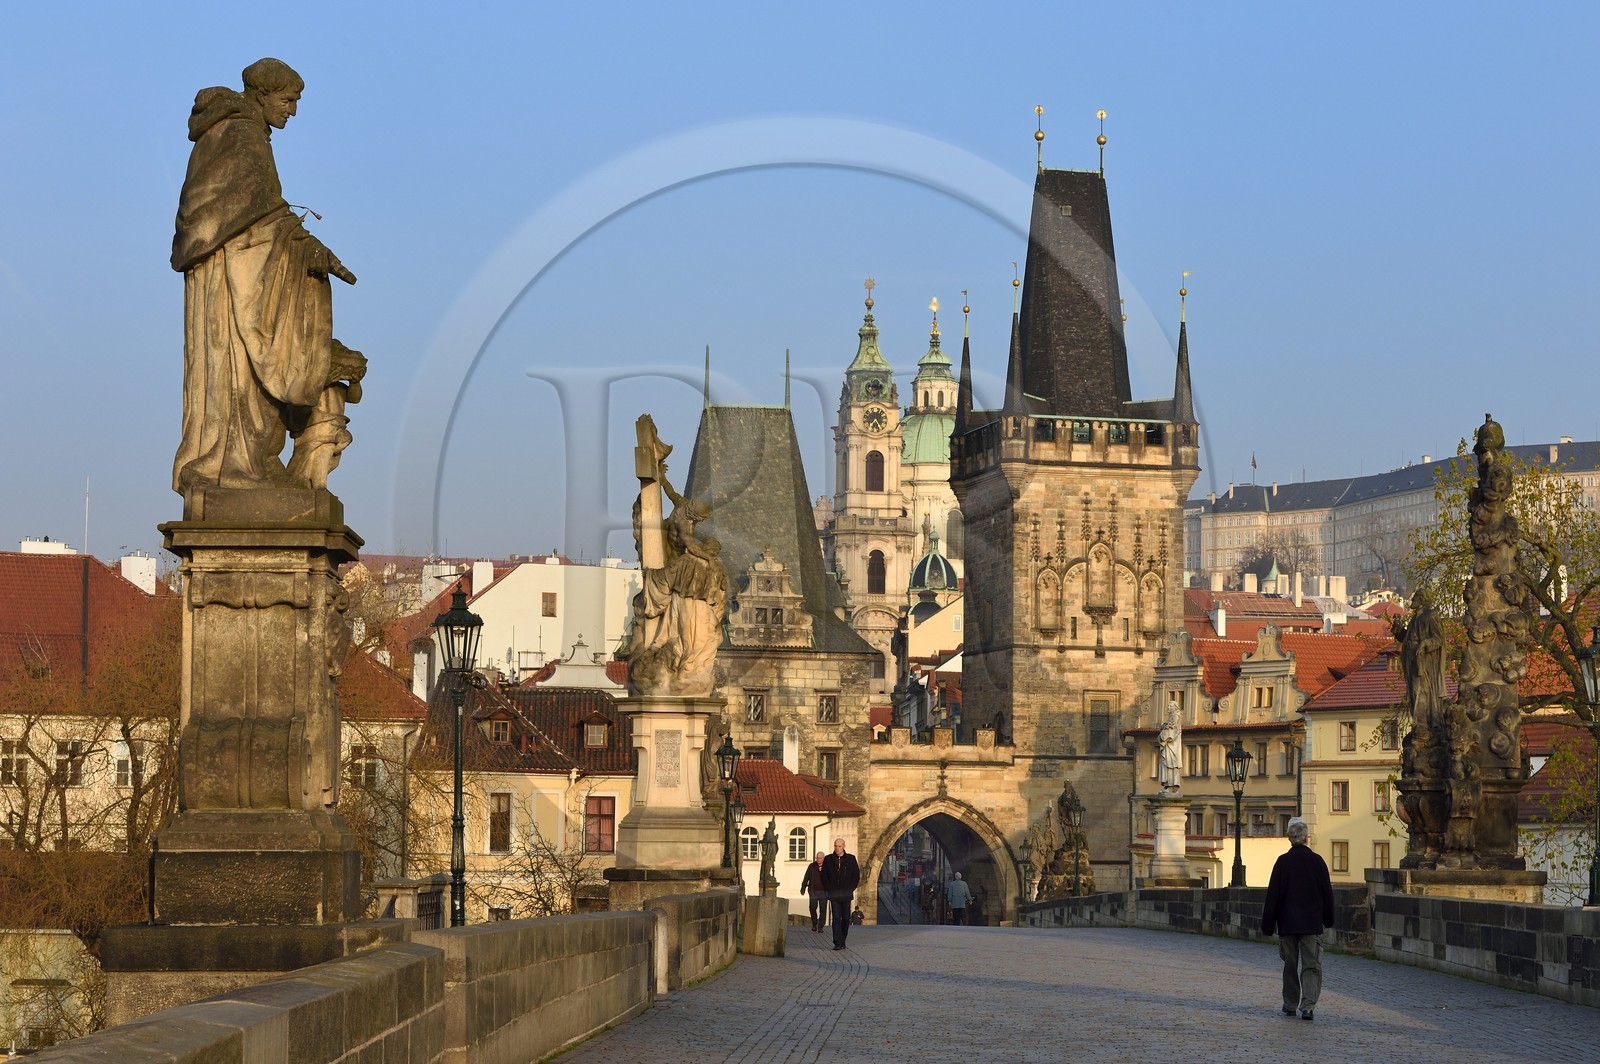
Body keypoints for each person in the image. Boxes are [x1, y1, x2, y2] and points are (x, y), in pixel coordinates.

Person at [172, 58, 359, 496]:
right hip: (229, 274)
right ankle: (232, 465)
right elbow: (244, 211)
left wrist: (300, 241)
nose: (292, 110)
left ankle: (250, 460)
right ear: (262, 95)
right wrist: (304, 245)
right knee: (234, 371)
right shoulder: (240, 135)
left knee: (246, 375)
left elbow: (257, 210)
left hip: (242, 265)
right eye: (288, 100)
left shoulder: (243, 133)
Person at [1261, 817, 1336, 1021]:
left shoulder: (1282, 862)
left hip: (1287, 924)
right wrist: (1328, 919)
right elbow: (1327, 894)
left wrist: (1268, 925)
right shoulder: (1317, 861)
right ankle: (1308, 1006)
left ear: (1289, 839)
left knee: (1290, 965)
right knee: (1311, 965)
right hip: (1311, 923)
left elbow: (1273, 896)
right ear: (1306, 838)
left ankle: (1291, 1003)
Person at [819, 837, 860, 950]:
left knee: (846, 918)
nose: (837, 848)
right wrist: (829, 889)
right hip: (834, 894)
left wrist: (851, 889)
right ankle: (837, 942)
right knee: (836, 917)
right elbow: (824, 876)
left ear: (843, 847)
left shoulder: (851, 859)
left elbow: (856, 875)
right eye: (836, 846)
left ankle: (843, 940)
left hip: (846, 894)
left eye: (839, 846)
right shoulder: (828, 859)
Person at [799, 850, 826, 933]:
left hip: (824, 891)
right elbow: (806, 877)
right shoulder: (812, 866)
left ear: (823, 858)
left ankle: (820, 926)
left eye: (820, 858)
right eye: (817, 858)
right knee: (812, 908)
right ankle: (814, 923)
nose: (818, 860)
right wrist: (803, 888)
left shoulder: (827, 866)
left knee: (823, 909)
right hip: (813, 890)